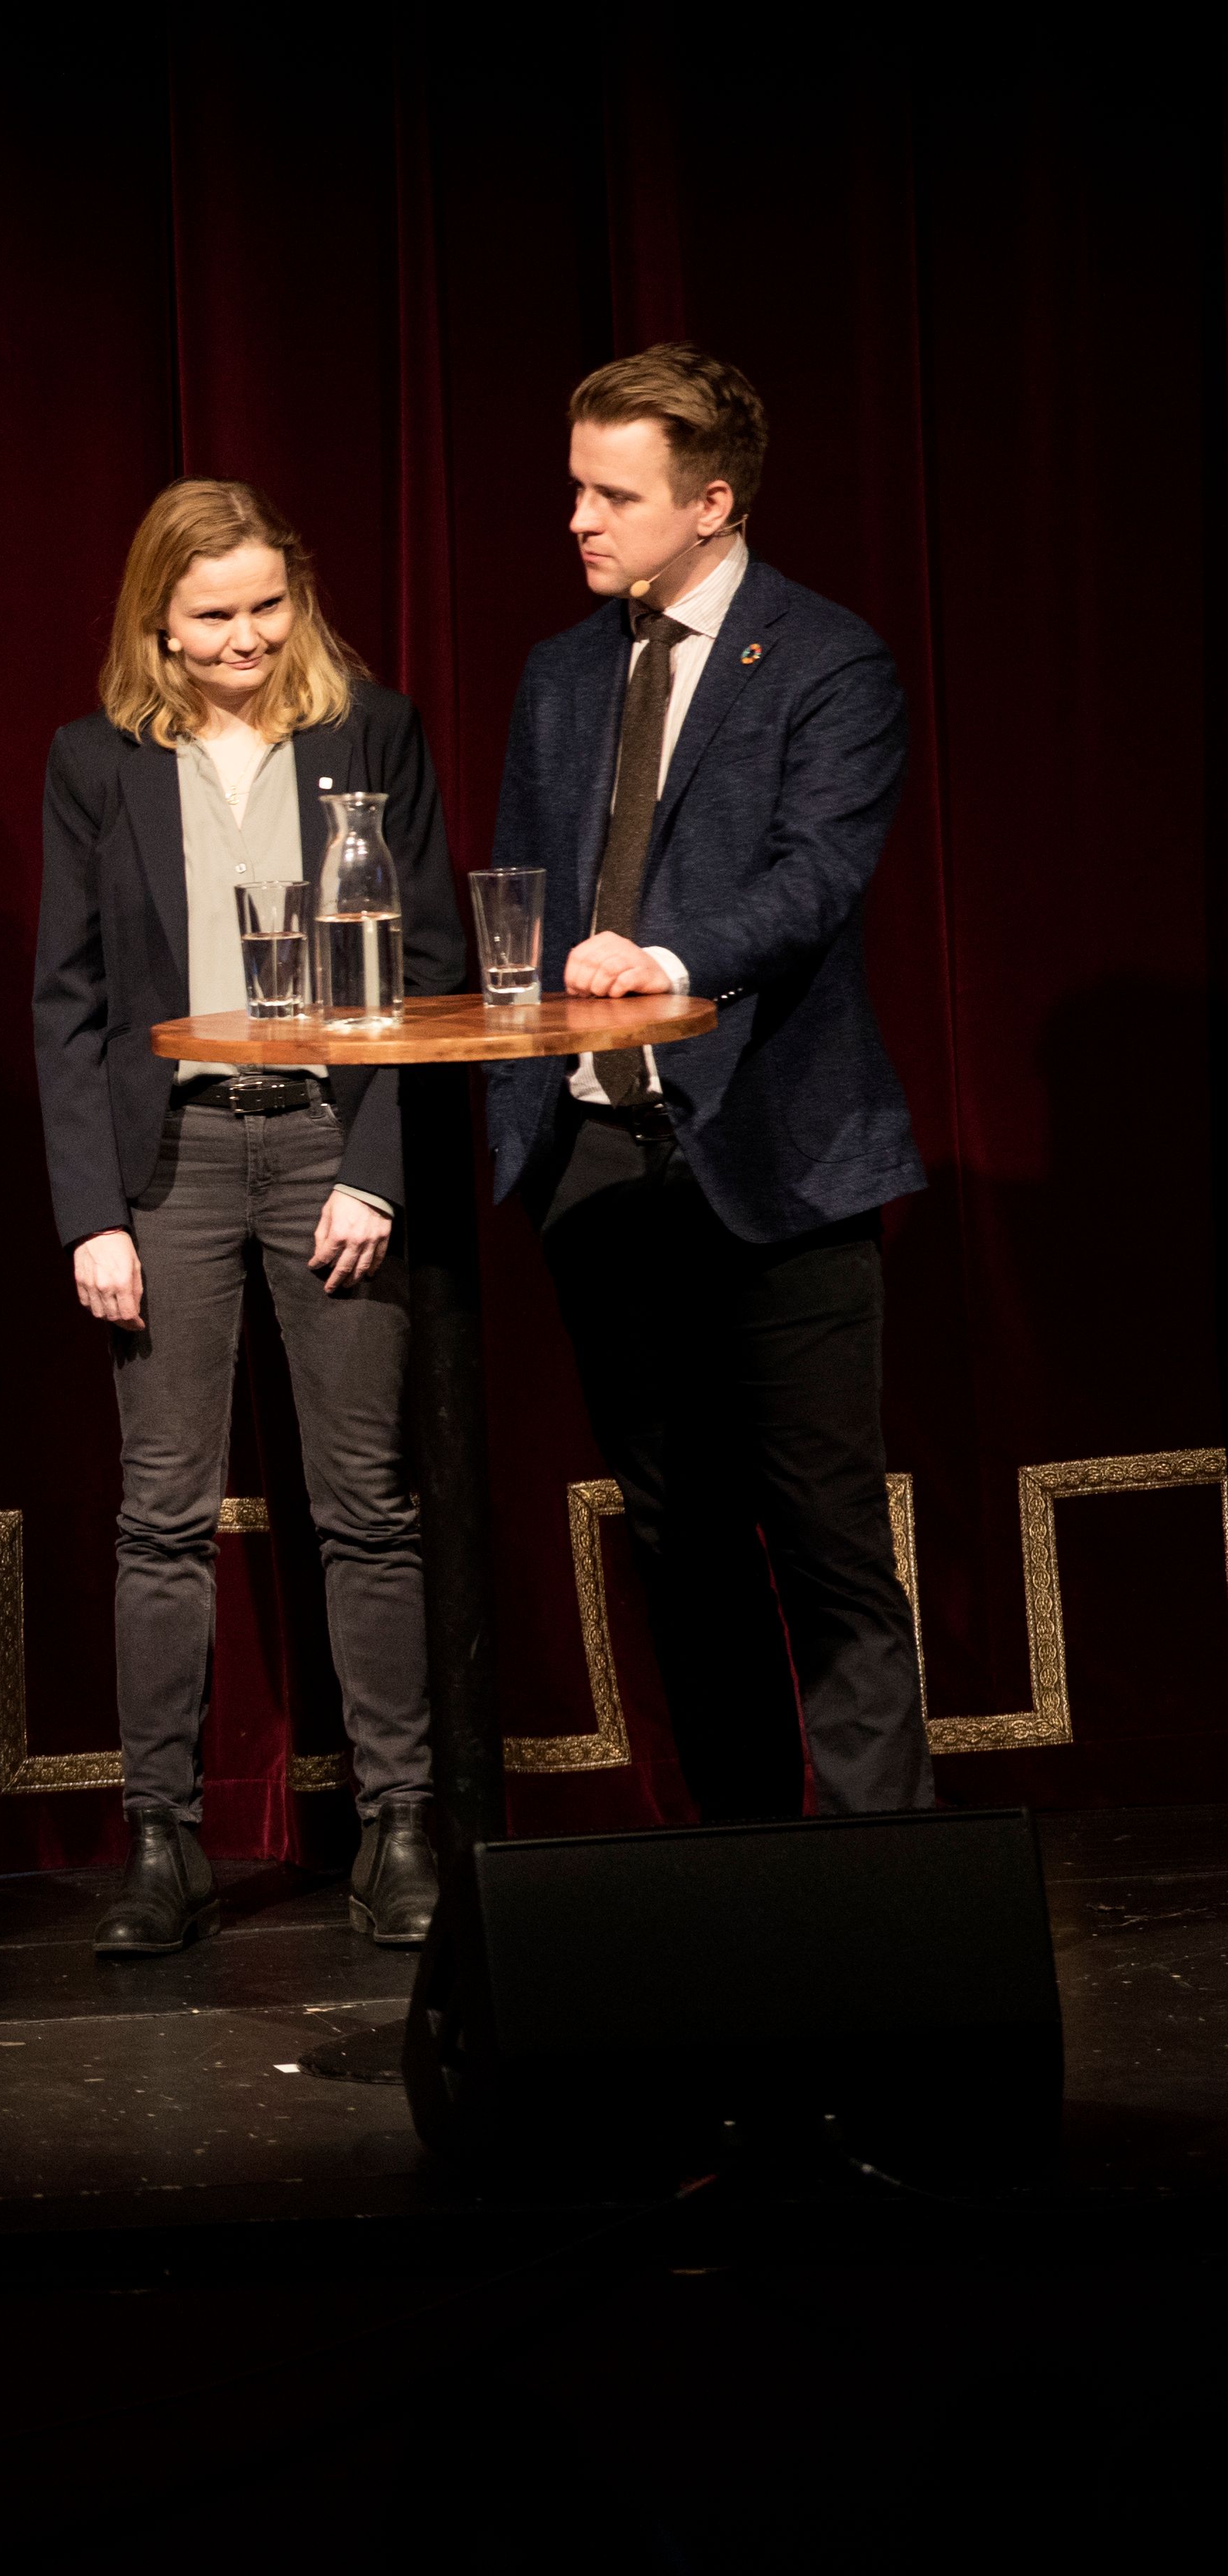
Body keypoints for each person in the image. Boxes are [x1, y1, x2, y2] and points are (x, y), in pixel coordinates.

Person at [486, 345, 934, 1820]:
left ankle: (882, 1877)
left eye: (613, 495)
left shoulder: (826, 659)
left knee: (824, 1531)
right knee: (680, 1532)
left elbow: (816, 877)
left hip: (776, 1152)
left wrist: (669, 961)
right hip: (599, 1161)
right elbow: (525, 899)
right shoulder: (563, 674)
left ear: (713, 503)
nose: (580, 519)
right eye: (577, 489)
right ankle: (748, 1864)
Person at [33, 482, 470, 1961]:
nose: (245, 638)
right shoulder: (97, 760)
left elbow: (431, 970)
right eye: (213, 614)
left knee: (366, 1504)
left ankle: (400, 1825)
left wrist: (379, 1168)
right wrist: (92, 1214)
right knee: (162, 1513)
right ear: (158, 621)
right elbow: (69, 1002)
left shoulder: (371, 732)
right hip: (174, 1158)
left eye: (267, 606)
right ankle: (162, 1841)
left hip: (331, 1146)